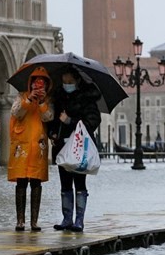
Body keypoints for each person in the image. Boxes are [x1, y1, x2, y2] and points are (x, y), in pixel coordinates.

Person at [49, 67, 103, 232]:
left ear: (77, 81)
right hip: (62, 145)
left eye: (70, 82)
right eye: (65, 82)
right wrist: (52, 132)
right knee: (65, 184)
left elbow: (93, 120)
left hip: (81, 147)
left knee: (79, 183)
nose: (67, 85)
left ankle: (79, 220)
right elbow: (53, 120)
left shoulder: (86, 99)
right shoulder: (58, 97)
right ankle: (67, 219)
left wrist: (70, 121)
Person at [7, 66, 54, 232]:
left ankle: (34, 221)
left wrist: (41, 103)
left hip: (38, 146)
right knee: (21, 182)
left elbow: (48, 117)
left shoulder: (48, 100)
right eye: (36, 83)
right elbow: (16, 113)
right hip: (22, 144)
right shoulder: (21, 97)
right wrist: (28, 101)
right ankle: (20, 220)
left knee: (36, 182)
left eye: (42, 84)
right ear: (31, 84)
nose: (38, 87)